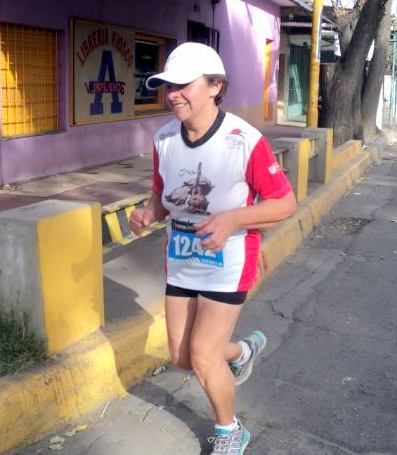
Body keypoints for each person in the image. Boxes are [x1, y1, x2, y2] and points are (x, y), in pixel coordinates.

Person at [129, 42, 296, 454]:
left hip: (228, 261)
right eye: (168, 86)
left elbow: (284, 203)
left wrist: (232, 219)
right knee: (182, 357)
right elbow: (161, 195)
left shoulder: (244, 140)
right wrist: (148, 212)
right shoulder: (164, 139)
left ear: (215, 86)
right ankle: (242, 351)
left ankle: (229, 431)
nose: (172, 95)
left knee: (204, 357)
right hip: (182, 259)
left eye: (183, 85)